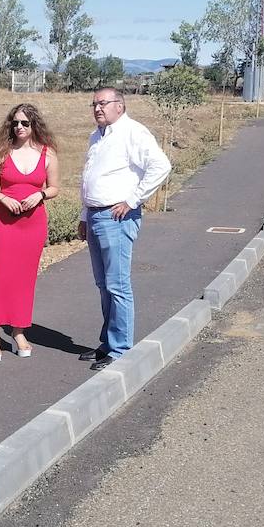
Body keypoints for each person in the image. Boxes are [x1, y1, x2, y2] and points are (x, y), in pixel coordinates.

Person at [77, 86, 171, 370]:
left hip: (116, 217)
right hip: (95, 216)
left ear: (120, 105)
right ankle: (107, 342)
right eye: (94, 104)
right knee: (103, 284)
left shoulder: (133, 133)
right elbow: (90, 179)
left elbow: (161, 166)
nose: (97, 109)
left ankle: (120, 350)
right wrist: (84, 215)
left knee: (117, 285)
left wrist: (132, 200)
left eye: (102, 103)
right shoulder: (97, 136)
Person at [0, 103, 60, 362]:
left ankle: (18, 331)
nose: (19, 127)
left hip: (33, 225)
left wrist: (41, 194)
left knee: (25, 280)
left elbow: (55, 187)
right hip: (4, 224)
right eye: (15, 123)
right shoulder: (1, 152)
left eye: (25, 123)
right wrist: (3, 198)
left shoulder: (48, 154)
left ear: (34, 124)